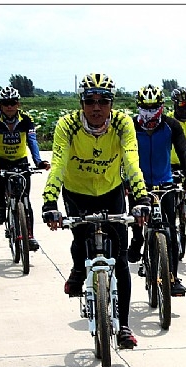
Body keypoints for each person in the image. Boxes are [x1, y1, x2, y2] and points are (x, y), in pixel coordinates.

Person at [41, 73, 151, 350]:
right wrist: (49, 202)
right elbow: (58, 164)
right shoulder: (67, 125)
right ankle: (79, 269)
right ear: (81, 103)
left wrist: (141, 197)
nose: (97, 107)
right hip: (77, 192)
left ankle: (123, 326)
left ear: (112, 103)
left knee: (120, 260)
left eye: (104, 101)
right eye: (90, 101)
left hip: (111, 191)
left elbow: (131, 161)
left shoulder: (122, 123)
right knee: (80, 239)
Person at [129, 84, 186, 297]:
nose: (150, 111)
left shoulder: (171, 125)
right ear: (139, 106)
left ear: (162, 106)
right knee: (136, 221)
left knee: (170, 231)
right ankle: (137, 239)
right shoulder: (130, 127)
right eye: (145, 107)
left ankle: (173, 278)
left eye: (154, 107)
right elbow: (121, 154)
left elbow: (183, 151)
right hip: (139, 184)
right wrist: (124, 180)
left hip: (165, 182)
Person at [0, 86, 50, 251]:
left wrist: (38, 161)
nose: (9, 106)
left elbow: (32, 141)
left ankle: (30, 236)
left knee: (26, 200)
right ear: (0, 105)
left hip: (21, 161)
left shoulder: (26, 119)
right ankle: (1, 204)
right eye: (6, 103)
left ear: (18, 104)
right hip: (0, 160)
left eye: (12, 103)